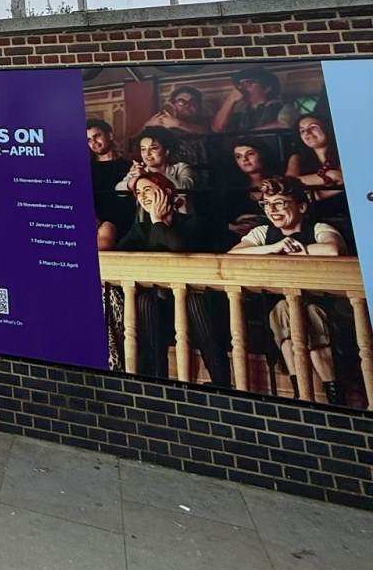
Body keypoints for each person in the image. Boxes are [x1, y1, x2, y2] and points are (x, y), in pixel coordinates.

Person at [230, 176, 345, 405]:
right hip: (283, 310)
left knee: (304, 312)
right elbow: (234, 253)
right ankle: (300, 393)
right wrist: (274, 247)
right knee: (284, 308)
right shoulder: (263, 232)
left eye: (280, 203)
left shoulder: (318, 228)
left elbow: (332, 249)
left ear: (301, 206)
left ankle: (333, 394)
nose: (272, 210)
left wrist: (301, 249)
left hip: (324, 307)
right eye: (266, 204)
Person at [115, 173, 232, 387]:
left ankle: (221, 382)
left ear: (167, 192)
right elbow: (119, 256)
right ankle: (156, 381)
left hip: (200, 306)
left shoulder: (194, 223)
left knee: (194, 301)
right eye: (138, 193)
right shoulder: (140, 229)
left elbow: (179, 251)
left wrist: (158, 221)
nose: (142, 196)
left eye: (147, 190)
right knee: (144, 301)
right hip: (163, 308)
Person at [286, 113, 349, 231]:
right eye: (302, 130)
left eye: (313, 127)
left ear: (327, 128)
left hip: (346, 213)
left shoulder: (344, 151)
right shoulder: (297, 158)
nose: (307, 133)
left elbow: (342, 178)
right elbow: (287, 183)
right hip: (311, 218)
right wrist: (329, 176)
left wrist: (310, 193)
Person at [86, 120, 133, 249]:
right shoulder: (85, 169)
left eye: (97, 136)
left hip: (122, 220)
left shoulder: (129, 166)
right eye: (89, 140)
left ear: (110, 135)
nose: (94, 142)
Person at [212, 68, 296, 134]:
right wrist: (230, 100)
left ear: (267, 88)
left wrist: (247, 134)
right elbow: (217, 129)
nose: (242, 88)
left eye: (249, 83)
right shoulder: (241, 114)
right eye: (240, 84)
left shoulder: (285, 107)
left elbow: (284, 124)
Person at [226, 139, 281, 239]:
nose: (244, 159)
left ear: (263, 155)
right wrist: (233, 227)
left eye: (250, 154)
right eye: (238, 156)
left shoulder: (280, 184)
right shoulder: (232, 187)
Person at [144, 84, 210, 136]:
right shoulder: (162, 121)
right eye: (181, 102)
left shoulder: (205, 123)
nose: (187, 105)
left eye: (192, 102)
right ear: (173, 105)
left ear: (198, 106)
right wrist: (146, 126)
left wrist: (179, 124)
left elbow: (208, 133)